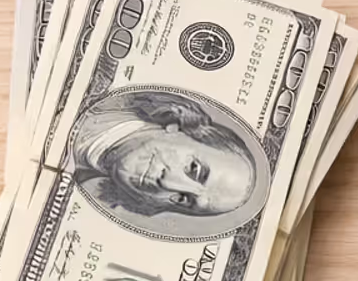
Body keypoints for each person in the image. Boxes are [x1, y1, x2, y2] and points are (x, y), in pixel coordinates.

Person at [67, 89, 260, 222]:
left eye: (183, 199)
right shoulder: (104, 98)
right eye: (193, 169)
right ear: (179, 128)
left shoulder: (74, 188)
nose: (168, 183)